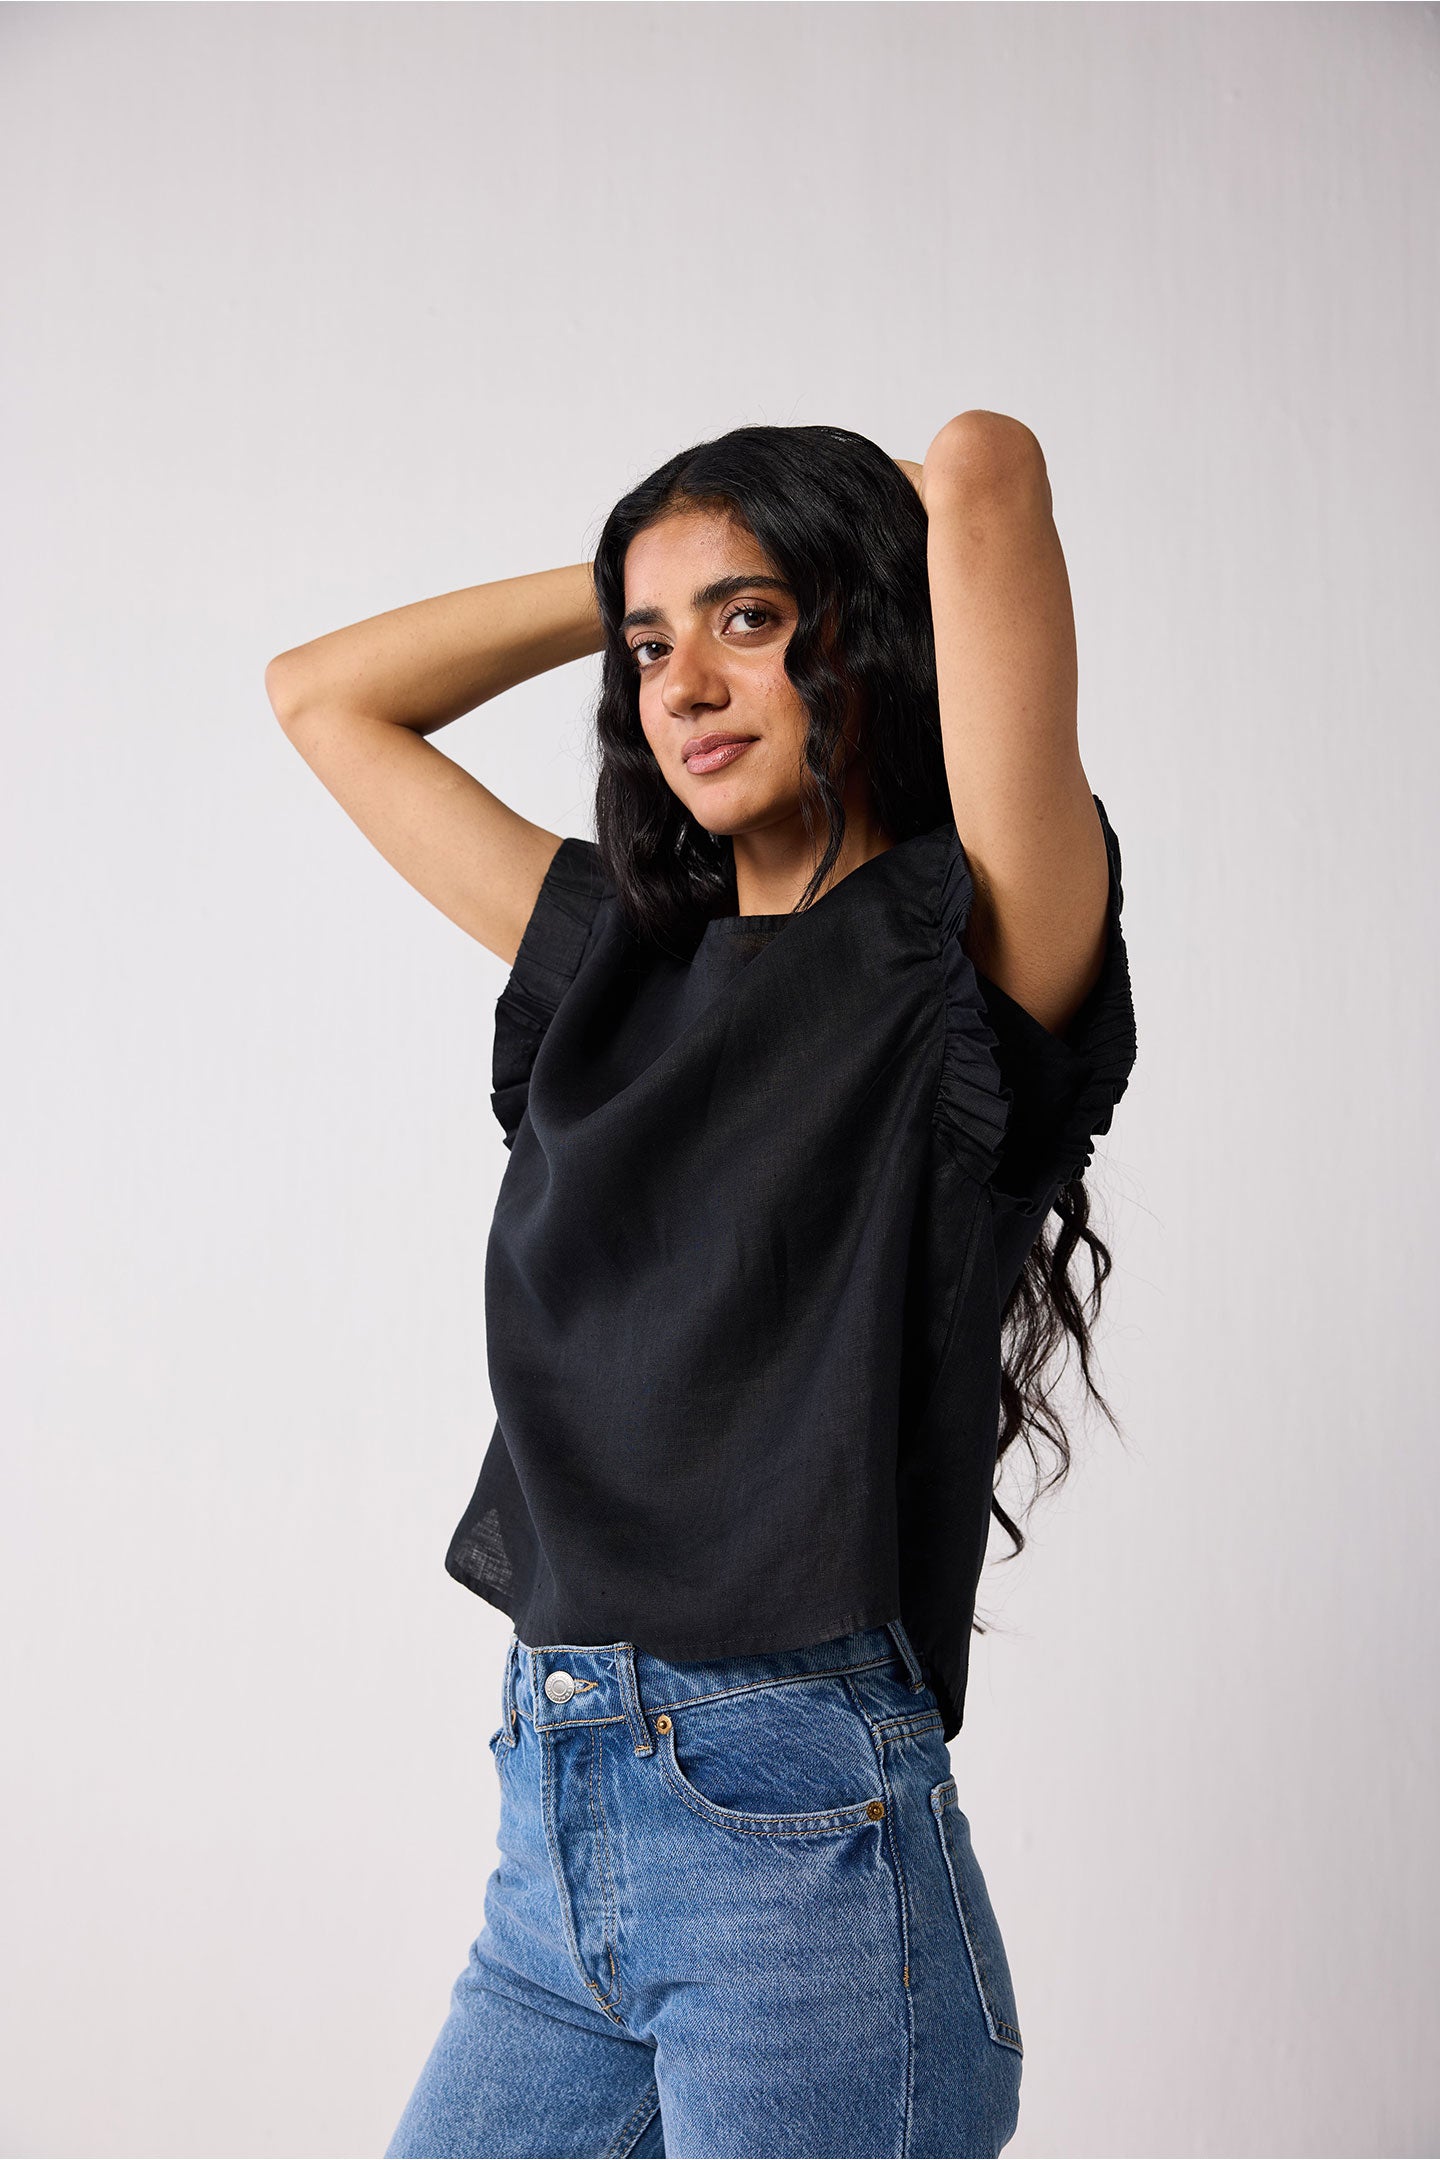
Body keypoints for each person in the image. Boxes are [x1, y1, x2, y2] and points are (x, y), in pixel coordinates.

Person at [265, 412, 1138, 2160]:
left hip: (800, 1858)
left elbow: (982, 469)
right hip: (554, 1829)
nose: (683, 682)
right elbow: (320, 695)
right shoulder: (604, 961)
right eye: (649, 647)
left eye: (751, 621)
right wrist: (626, 586)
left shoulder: (963, 953)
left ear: (865, 629)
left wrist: (835, 538)